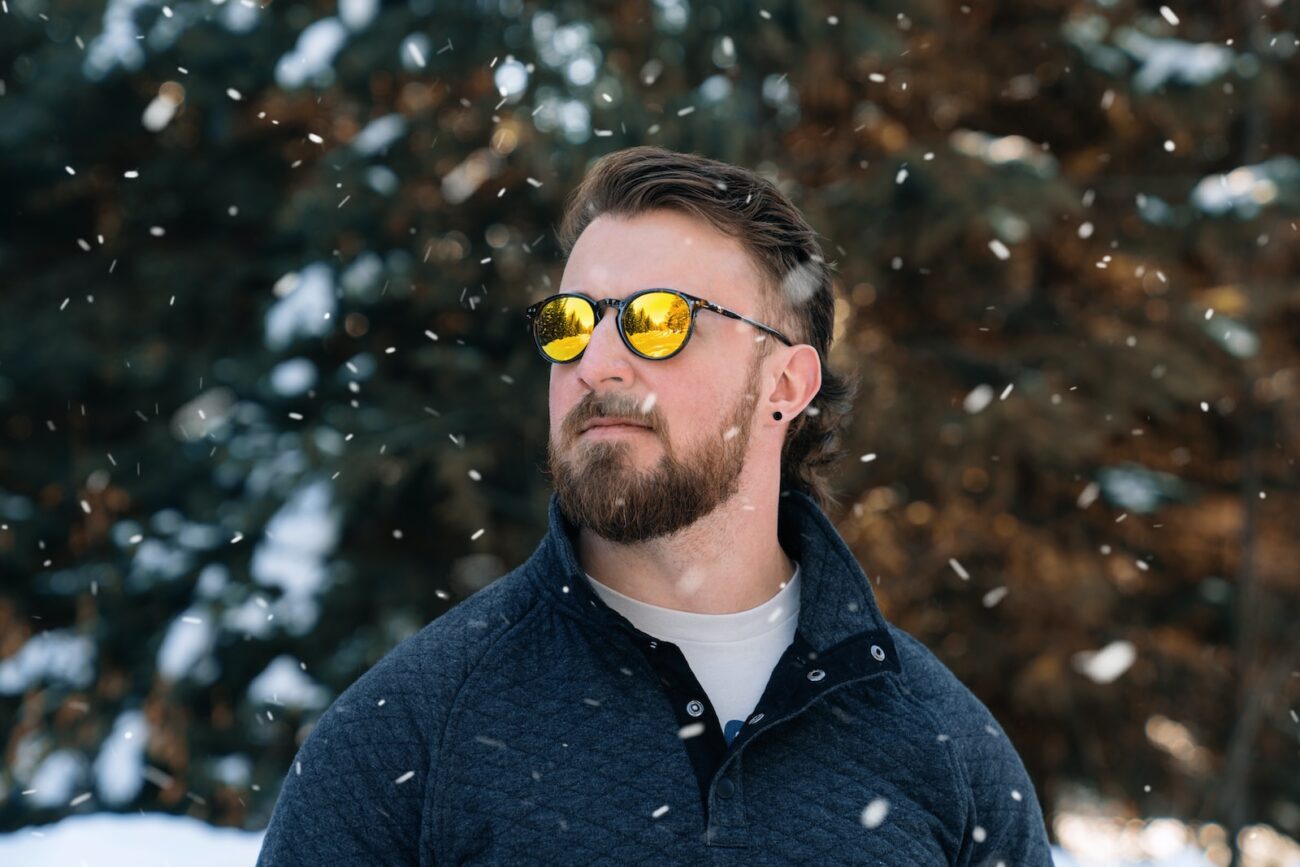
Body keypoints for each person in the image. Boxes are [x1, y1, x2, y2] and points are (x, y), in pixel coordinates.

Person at [257, 146, 1053, 865]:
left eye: (659, 320)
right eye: (571, 323)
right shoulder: (409, 734)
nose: (596, 361)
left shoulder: (944, 747)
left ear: (786, 385)